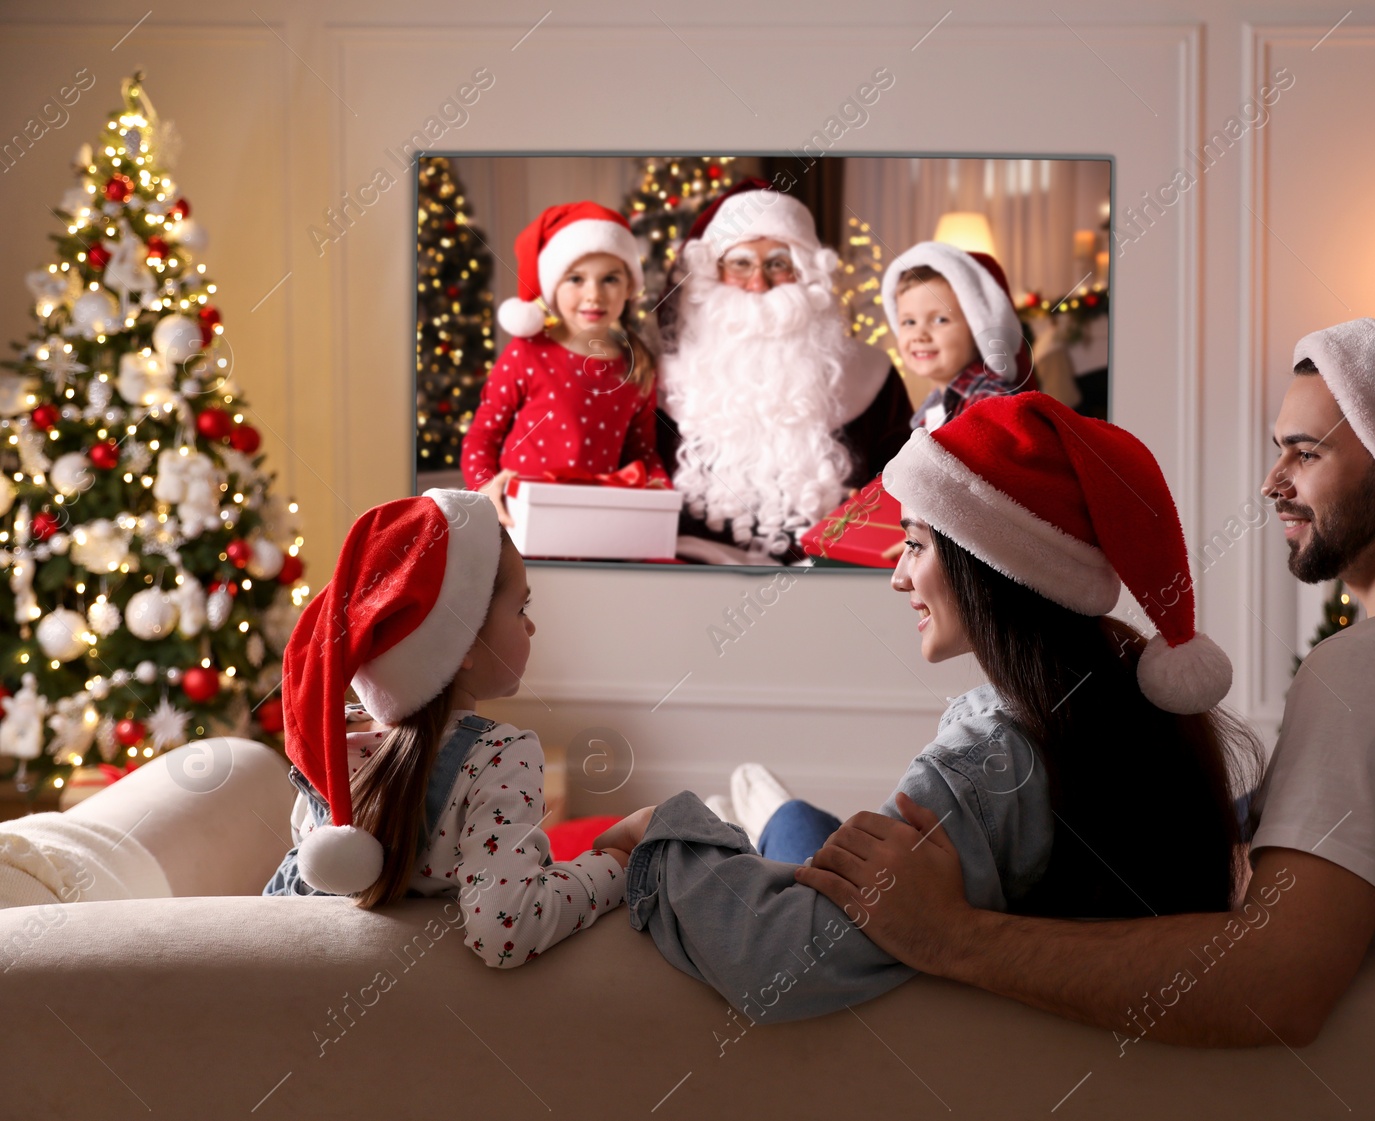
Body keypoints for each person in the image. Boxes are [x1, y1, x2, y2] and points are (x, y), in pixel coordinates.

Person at [795, 319, 1375, 1047]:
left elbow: (1275, 981)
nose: (1273, 482)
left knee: (797, 836)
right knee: (799, 831)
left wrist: (949, 935)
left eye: (1306, 452)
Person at [595, 391, 1258, 1023]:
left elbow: (777, 957)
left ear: (989, 565)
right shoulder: (1124, 689)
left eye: (915, 543)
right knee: (809, 825)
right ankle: (774, 812)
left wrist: (665, 831)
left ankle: (766, 816)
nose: (898, 574)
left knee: (796, 828)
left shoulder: (979, 767)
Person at [262, 489, 627, 969]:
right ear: (463, 644)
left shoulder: (333, 741)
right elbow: (507, 928)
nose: (531, 628)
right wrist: (616, 865)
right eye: (521, 609)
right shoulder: (502, 756)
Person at [654, 178, 914, 564]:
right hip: (691, 573)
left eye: (778, 264)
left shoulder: (871, 374)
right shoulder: (664, 377)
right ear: (713, 272)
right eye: (740, 264)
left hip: (827, 577)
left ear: (807, 274)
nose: (758, 283)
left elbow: (905, 488)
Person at [462, 203, 669, 528]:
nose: (594, 295)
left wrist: (659, 486)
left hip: (598, 523)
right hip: (520, 520)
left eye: (610, 279)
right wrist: (486, 486)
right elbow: (482, 436)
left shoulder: (637, 366)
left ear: (629, 286)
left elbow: (641, 449)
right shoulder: (526, 354)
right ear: (552, 287)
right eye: (576, 279)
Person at [883, 240, 1034, 433]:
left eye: (939, 320)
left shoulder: (991, 403)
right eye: (909, 322)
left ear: (977, 327)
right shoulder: (931, 406)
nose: (919, 335)